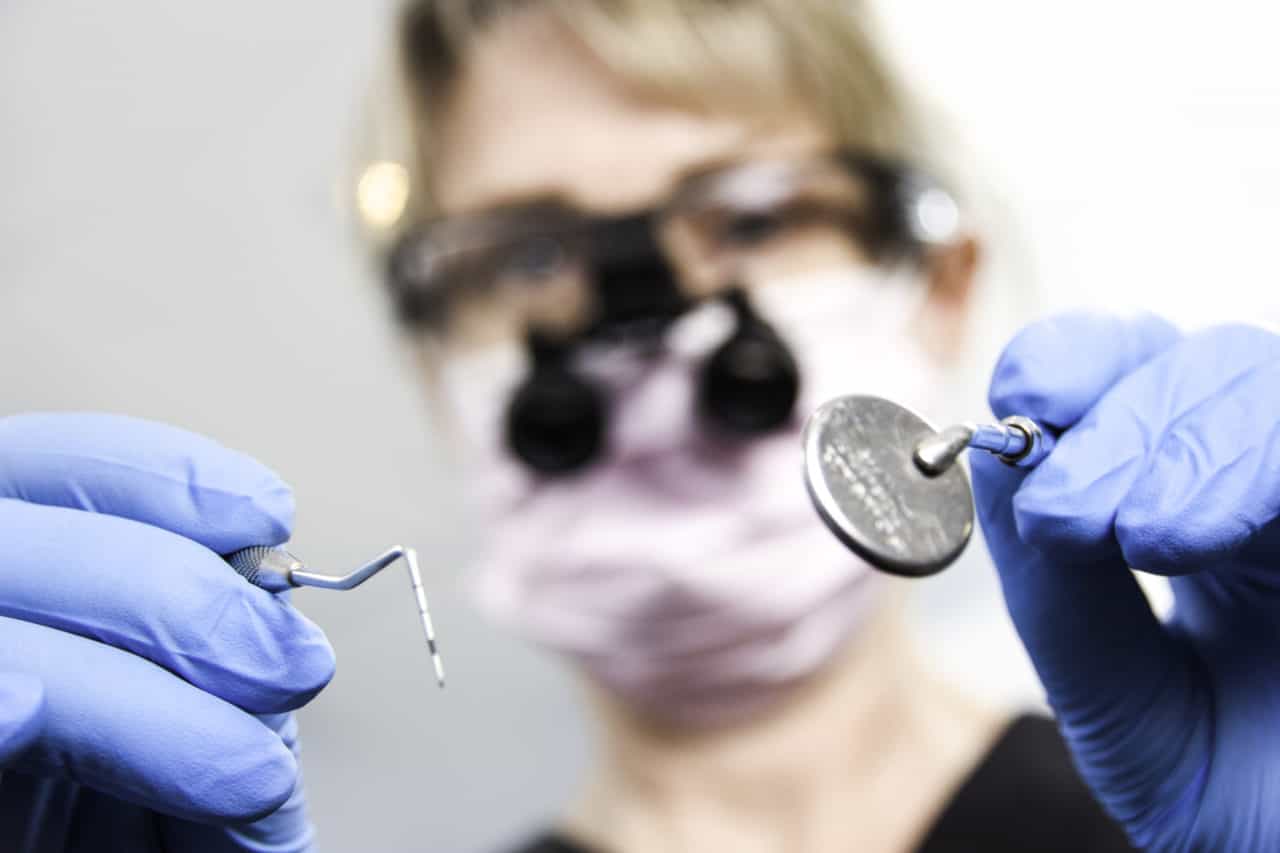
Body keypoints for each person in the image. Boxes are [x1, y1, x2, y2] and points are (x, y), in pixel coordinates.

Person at [2, 3, 1279, 853]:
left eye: (748, 216)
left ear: (934, 285)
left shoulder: (1204, 806)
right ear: (439, 371)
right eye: (527, 253)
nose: (648, 335)